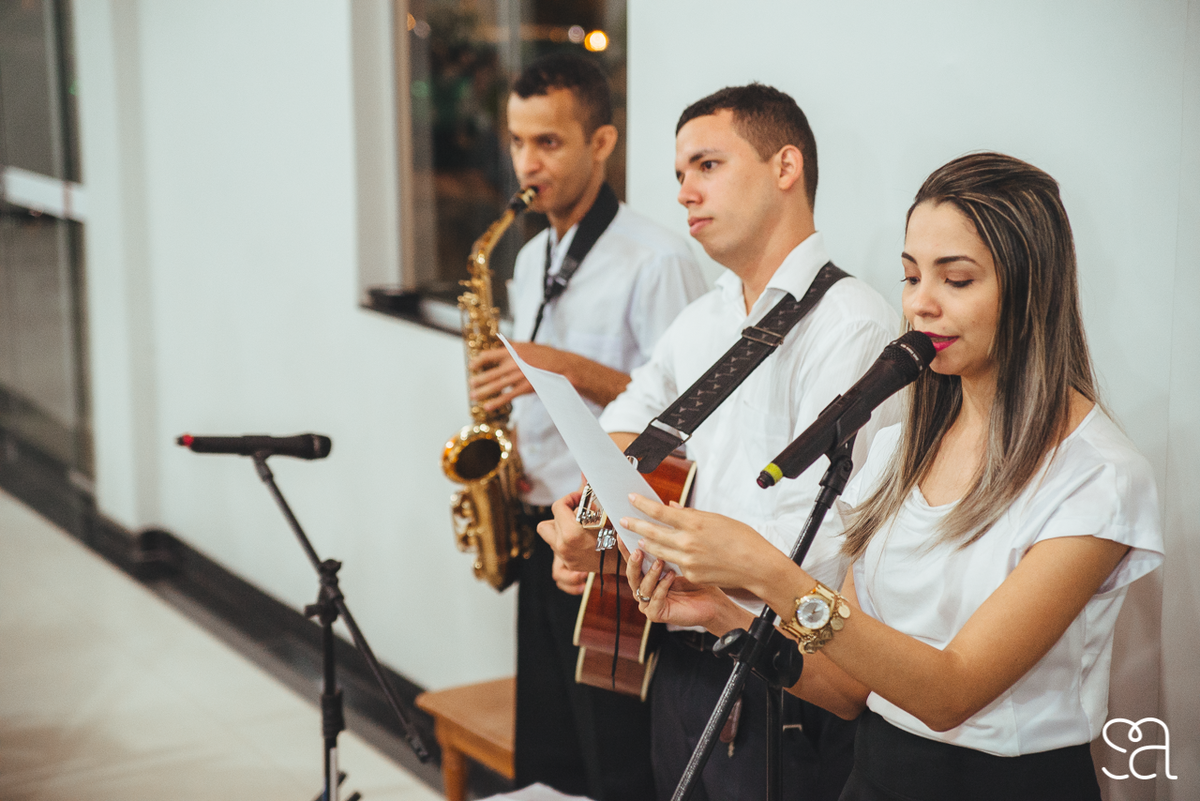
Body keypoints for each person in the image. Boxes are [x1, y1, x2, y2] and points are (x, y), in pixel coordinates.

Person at [621, 152, 1165, 801]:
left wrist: (771, 573)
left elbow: (949, 693)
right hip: (875, 775)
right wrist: (718, 611)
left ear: (1031, 286)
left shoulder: (1097, 476)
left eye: (956, 279)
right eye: (910, 276)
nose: (920, 304)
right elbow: (850, 689)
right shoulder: (901, 447)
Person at [539, 84, 900, 801]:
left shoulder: (851, 324)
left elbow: (821, 537)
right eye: (679, 175)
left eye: (706, 165)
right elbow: (629, 431)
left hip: (782, 670)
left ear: (785, 167)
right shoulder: (704, 319)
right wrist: (587, 522)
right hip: (677, 653)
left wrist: (637, 533)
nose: (683, 192)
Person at [468, 53, 706, 801]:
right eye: (516, 141)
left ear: (602, 143)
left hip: (612, 543)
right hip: (544, 526)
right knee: (550, 750)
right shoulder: (532, 252)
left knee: (616, 761)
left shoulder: (657, 258)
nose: (527, 163)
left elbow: (690, 415)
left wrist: (557, 367)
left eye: (549, 142)